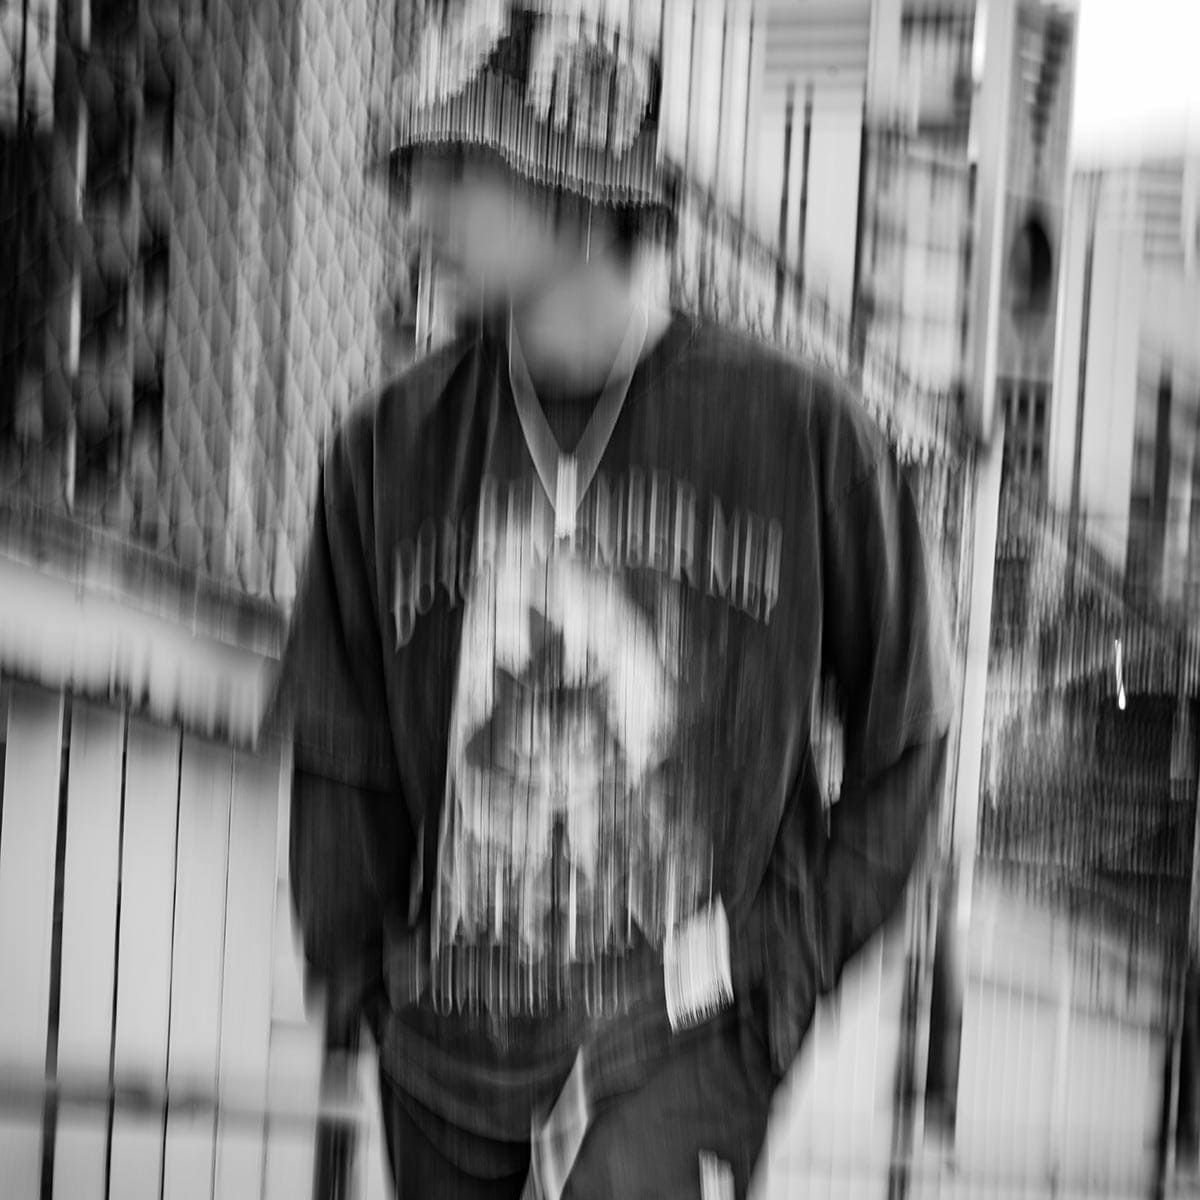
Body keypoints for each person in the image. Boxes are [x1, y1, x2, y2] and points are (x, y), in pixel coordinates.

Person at [263, 3, 955, 1196]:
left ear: (574, 185)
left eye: (459, 167)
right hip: (446, 1065)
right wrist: (367, 981)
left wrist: (783, 967)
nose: (417, 212)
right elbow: (341, 740)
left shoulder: (803, 435)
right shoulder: (384, 450)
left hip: (683, 1041)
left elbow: (912, 732)